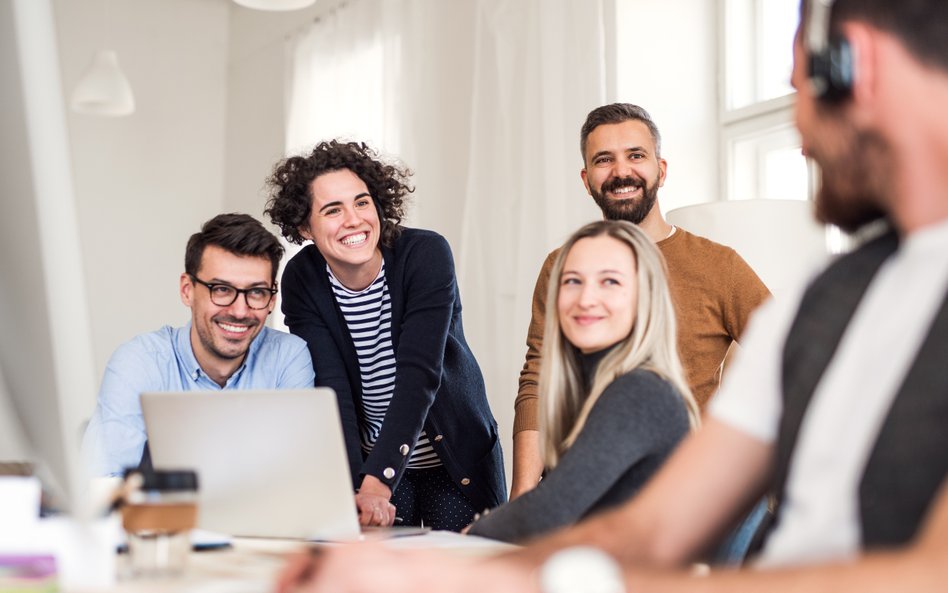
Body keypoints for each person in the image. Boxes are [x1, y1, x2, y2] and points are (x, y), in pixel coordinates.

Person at [274, 0, 948, 591]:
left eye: (800, 89)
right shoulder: (830, 300)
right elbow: (651, 528)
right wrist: (436, 571)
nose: (800, 132)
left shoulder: (710, 322)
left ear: (855, 64)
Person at [510, 103, 770, 500]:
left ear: (661, 170)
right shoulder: (563, 266)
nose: (620, 172)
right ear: (586, 178)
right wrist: (524, 493)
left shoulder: (720, 266)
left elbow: (787, 356)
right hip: (576, 487)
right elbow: (538, 381)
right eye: (603, 160)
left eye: (635, 155)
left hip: (675, 494)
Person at [264, 140, 505, 532]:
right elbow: (331, 389)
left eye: (362, 202)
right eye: (332, 209)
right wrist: (358, 484)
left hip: (454, 459)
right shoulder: (302, 278)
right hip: (371, 463)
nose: (354, 220)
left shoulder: (424, 254)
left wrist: (378, 481)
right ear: (305, 226)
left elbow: (419, 373)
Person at [466, 220, 699, 544]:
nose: (586, 298)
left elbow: (546, 514)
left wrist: (475, 532)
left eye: (610, 281)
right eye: (572, 281)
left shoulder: (640, 392)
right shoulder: (595, 388)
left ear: (644, 297)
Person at [82, 213, 315, 477]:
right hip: (164, 519)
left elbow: (296, 479)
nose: (240, 311)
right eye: (221, 289)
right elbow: (104, 486)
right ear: (187, 290)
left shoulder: (289, 358)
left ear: (272, 299)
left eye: (256, 292)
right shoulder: (139, 362)